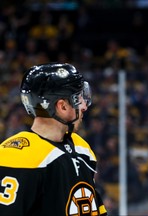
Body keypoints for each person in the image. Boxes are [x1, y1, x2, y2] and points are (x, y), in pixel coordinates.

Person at [0, 63, 107, 215]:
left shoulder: (82, 148)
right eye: (78, 98)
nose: (84, 106)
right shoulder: (16, 153)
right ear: (62, 106)